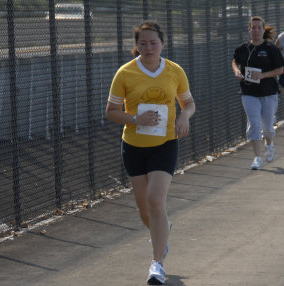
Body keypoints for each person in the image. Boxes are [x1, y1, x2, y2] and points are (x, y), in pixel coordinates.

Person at [106, 21, 195, 285]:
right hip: (134, 146)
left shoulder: (174, 71)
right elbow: (111, 112)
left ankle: (157, 264)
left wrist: (184, 117)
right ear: (136, 46)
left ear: (163, 44)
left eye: (153, 42)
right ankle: (161, 231)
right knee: (145, 208)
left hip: (165, 143)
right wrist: (135, 119)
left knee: (156, 200)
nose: (148, 47)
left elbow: (189, 103)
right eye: (142, 43)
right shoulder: (125, 73)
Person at [232, 16, 284, 170]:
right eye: (253, 27)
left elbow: (280, 69)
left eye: (258, 28)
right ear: (249, 29)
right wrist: (236, 70)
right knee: (254, 124)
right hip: (248, 92)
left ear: (263, 30)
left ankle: (269, 144)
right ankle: (257, 158)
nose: (256, 30)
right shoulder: (243, 48)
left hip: (268, 92)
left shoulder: (271, 49)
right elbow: (235, 61)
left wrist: (262, 75)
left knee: (268, 127)